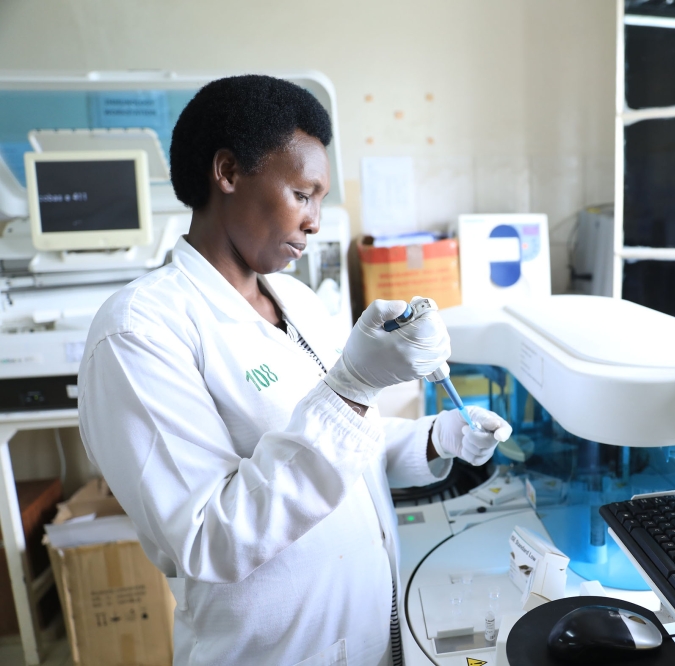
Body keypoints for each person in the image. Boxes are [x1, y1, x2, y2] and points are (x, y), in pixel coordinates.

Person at [78, 74, 511, 666]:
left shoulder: (299, 302)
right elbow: (210, 537)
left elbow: (342, 452)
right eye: (302, 194)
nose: (315, 221)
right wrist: (354, 386)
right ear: (227, 173)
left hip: (369, 639)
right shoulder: (139, 332)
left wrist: (440, 437)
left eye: (321, 200)